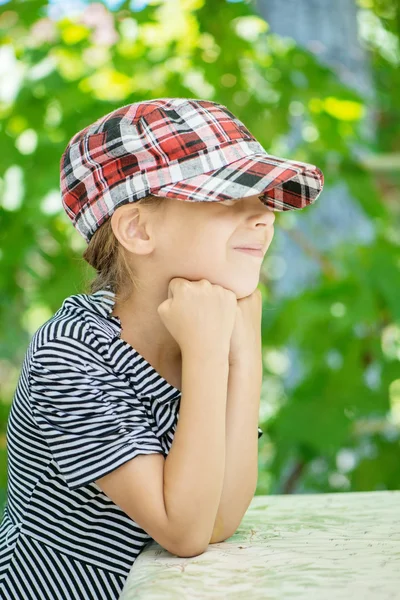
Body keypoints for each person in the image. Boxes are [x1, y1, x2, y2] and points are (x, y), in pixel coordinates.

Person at [0, 97, 324, 599]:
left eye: (263, 198)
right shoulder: (69, 353)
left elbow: (221, 516)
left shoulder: (197, 329)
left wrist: (244, 354)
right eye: (229, 198)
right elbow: (185, 532)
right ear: (138, 229)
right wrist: (210, 355)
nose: (264, 218)